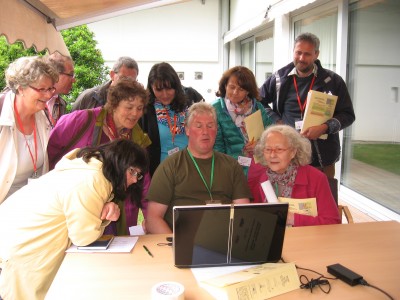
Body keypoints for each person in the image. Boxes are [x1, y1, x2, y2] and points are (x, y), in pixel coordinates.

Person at [0, 139, 148, 300]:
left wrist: (103, 209)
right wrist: (104, 216)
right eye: (132, 172)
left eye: (138, 175)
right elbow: (84, 238)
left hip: (18, 238)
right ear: (120, 162)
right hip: (24, 249)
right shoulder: (93, 180)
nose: (134, 180)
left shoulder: (88, 168)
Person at [47, 78, 151, 235]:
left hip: (119, 211)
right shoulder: (81, 119)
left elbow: (143, 180)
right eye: (129, 107)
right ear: (114, 105)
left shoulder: (137, 137)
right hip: (79, 204)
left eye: (139, 108)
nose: (135, 113)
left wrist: (151, 215)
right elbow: (50, 153)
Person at [259, 32, 355, 178]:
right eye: (298, 53)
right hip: (286, 156)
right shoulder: (279, 78)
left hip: (322, 157)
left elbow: (348, 115)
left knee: (323, 198)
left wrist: (325, 127)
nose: (301, 58)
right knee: (289, 198)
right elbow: (259, 101)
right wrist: (276, 120)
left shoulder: (333, 81)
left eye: (307, 54)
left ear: (316, 54)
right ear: (293, 51)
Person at [145, 102, 251, 234]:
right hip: (181, 240)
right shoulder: (170, 166)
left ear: (216, 130)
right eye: (199, 126)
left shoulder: (232, 166)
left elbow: (243, 213)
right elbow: (153, 218)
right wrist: (175, 245)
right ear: (187, 130)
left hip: (223, 239)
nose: (205, 132)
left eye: (210, 126)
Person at [249, 124, 341, 227]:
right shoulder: (263, 179)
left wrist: (292, 219)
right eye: (268, 149)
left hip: (308, 239)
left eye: (279, 149)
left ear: (293, 152)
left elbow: (332, 222)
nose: (272, 155)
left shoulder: (316, 178)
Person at [0, 56, 58, 204]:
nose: (49, 95)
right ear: (21, 88)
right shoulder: (2, 113)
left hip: (29, 206)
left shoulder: (43, 116)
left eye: (51, 88)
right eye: (42, 89)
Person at [140, 62, 204, 176]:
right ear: (151, 88)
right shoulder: (146, 107)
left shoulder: (191, 97)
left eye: (169, 88)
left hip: (193, 168)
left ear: (176, 85)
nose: (165, 94)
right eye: (159, 90)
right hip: (160, 171)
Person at [213, 66, 273, 175]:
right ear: (225, 85)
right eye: (232, 87)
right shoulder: (215, 109)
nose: (235, 92)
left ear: (248, 91)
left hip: (258, 164)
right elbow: (217, 146)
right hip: (230, 167)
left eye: (241, 89)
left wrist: (260, 144)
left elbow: (271, 133)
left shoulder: (257, 107)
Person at [71, 56, 139, 111]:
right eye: (123, 78)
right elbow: (70, 124)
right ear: (112, 75)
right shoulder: (89, 97)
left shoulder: (136, 103)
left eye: (131, 81)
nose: (127, 84)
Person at [45, 52, 76, 126]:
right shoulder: (31, 100)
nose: (74, 80)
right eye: (71, 75)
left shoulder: (61, 104)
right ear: (55, 73)